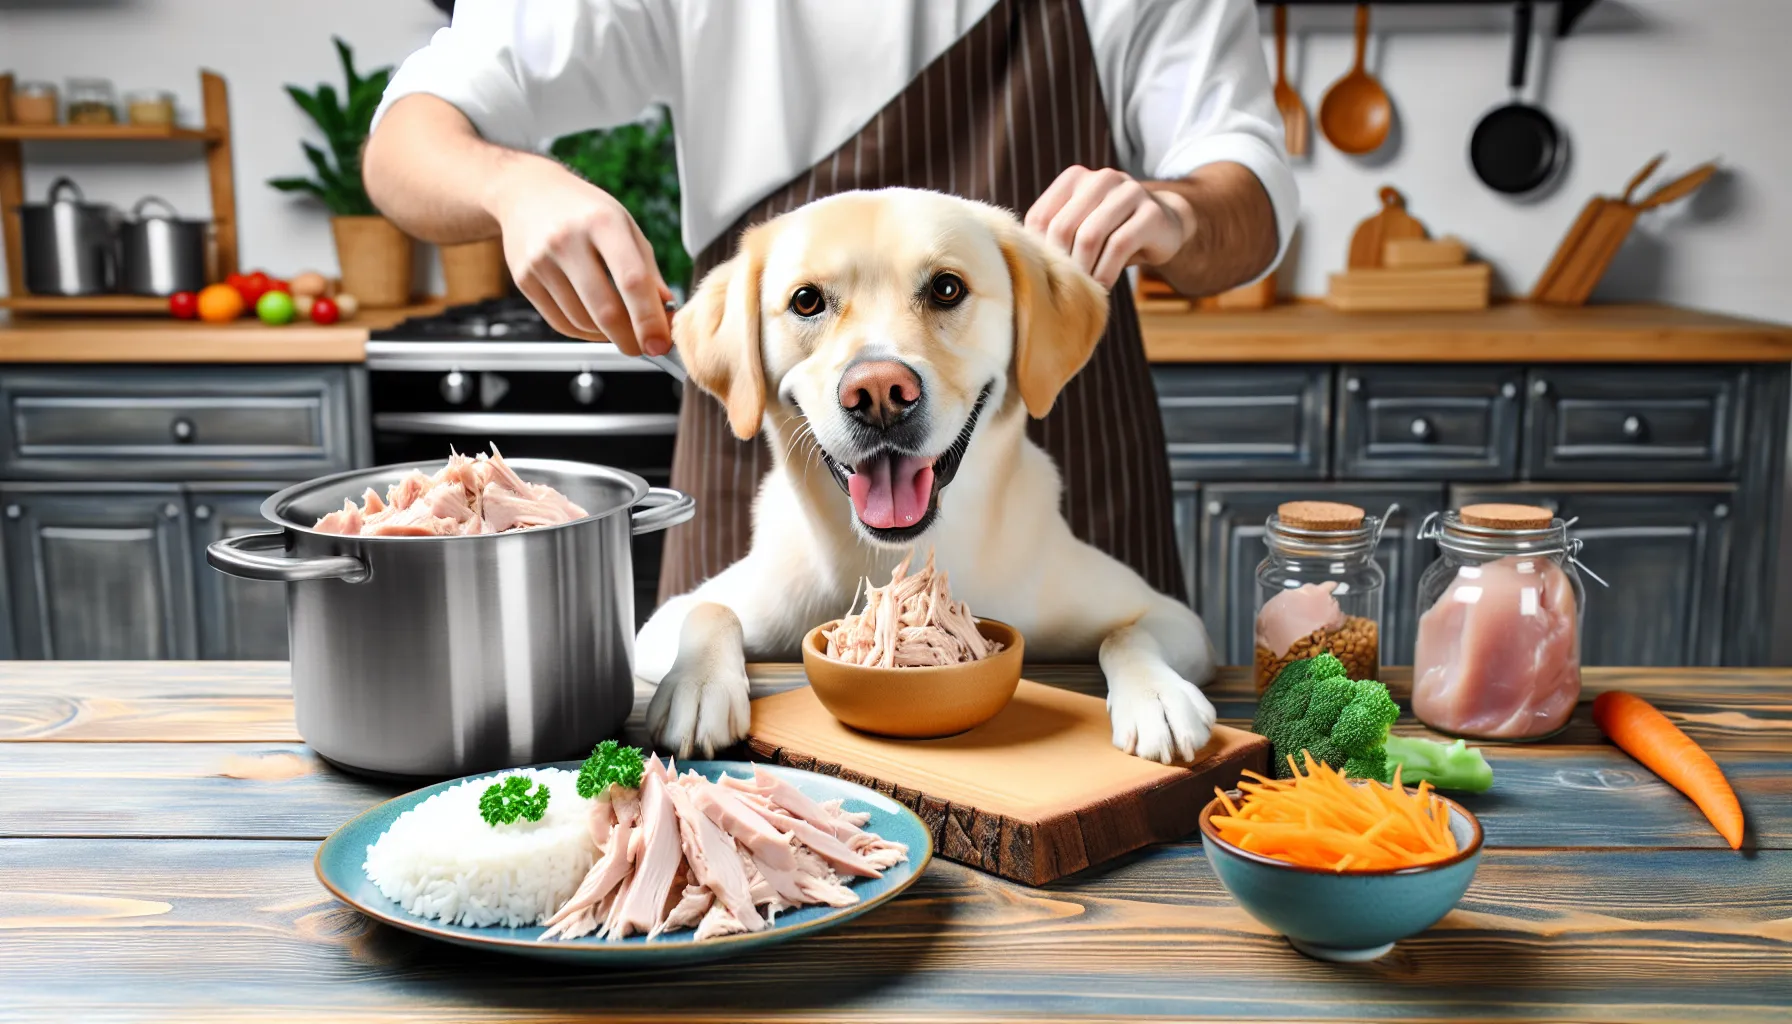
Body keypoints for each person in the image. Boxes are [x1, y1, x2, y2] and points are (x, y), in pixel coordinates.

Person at [365, 0, 1296, 606]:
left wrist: (1174, 209)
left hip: (1063, 467)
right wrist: (513, 187)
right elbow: (411, 135)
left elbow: (1247, 198)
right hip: (774, 490)